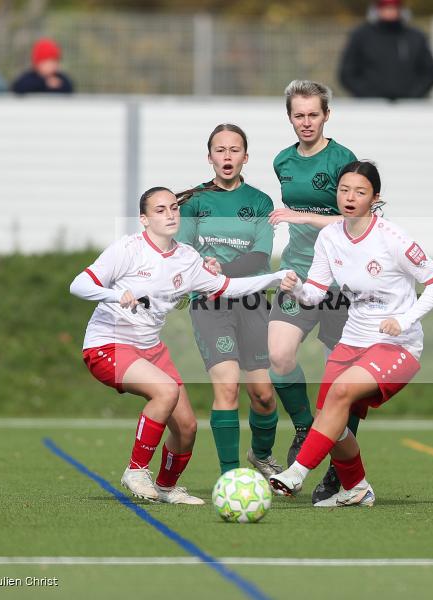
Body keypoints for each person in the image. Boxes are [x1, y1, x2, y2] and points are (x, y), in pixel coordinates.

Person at [69, 187, 289, 505]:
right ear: (144, 219)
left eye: (174, 208)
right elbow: (79, 284)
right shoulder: (127, 249)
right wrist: (115, 295)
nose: (170, 214)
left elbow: (225, 287)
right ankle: (136, 469)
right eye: (160, 210)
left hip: (150, 348)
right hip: (108, 344)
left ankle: (166, 487)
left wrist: (275, 278)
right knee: (166, 391)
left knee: (186, 427)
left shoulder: (186, 258)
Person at [269, 161, 433, 506]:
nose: (350, 198)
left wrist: (405, 319)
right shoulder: (329, 237)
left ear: (375, 198)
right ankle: (356, 488)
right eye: (344, 190)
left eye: (360, 192)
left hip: (396, 345)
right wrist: (296, 289)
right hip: (352, 342)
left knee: (340, 392)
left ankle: (296, 472)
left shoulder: (392, 238)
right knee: (332, 422)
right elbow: (315, 294)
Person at [175, 124, 284, 482]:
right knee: (227, 387)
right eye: (220, 150)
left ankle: (261, 455)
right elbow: (184, 252)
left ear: (245, 157)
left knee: (263, 395)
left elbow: (259, 257)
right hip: (210, 304)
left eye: (234, 150)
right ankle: (230, 477)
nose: (227, 156)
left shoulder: (260, 202)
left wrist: (223, 269)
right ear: (209, 157)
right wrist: (204, 273)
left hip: (252, 302)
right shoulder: (194, 202)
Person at [268, 80, 358, 504]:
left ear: (327, 115)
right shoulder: (282, 161)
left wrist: (300, 215)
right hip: (298, 276)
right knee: (279, 356)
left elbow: (353, 219)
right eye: (299, 115)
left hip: (341, 281)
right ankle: (305, 425)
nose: (306, 122)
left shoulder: (344, 160)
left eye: (313, 114)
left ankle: (340, 472)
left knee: (341, 383)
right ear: (290, 117)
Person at [338, 0, 433, 100]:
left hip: (409, 106)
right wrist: (369, 96)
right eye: (385, 7)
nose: (389, 11)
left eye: (393, 7)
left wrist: (412, 96)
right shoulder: (361, 36)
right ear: (376, 10)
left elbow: (429, 74)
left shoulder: (416, 37)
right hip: (369, 106)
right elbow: (347, 73)